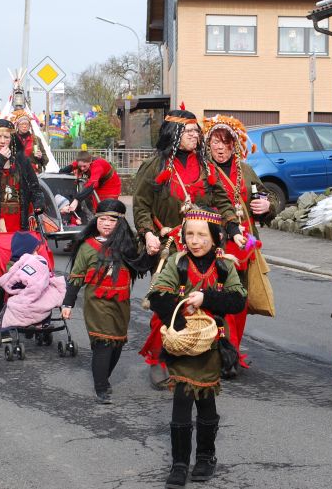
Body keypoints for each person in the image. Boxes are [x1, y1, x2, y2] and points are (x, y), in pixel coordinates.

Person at [132, 109, 241, 389]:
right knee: (168, 302)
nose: (196, 136)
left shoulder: (205, 165)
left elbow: (223, 200)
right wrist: (147, 233)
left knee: (204, 301)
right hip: (172, 243)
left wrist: (233, 229)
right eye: (190, 132)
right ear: (175, 134)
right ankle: (159, 359)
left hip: (204, 243)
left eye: (196, 132)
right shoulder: (155, 165)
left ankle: (203, 355)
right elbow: (142, 204)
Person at [146, 207, 247, 488]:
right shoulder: (176, 263)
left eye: (202, 235)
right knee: (181, 404)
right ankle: (179, 464)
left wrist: (207, 298)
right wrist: (180, 323)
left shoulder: (225, 266)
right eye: (189, 234)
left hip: (211, 346)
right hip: (182, 346)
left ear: (215, 238)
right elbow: (157, 296)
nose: (195, 240)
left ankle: (205, 457)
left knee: (206, 404)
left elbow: (238, 300)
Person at [61, 199, 158, 404]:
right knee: (103, 343)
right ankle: (101, 387)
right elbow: (76, 277)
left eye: (112, 220)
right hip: (97, 302)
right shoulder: (86, 247)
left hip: (121, 303)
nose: (106, 223)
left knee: (117, 344)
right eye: (102, 219)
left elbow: (139, 266)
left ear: (120, 223)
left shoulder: (126, 245)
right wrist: (67, 304)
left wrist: (152, 253)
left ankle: (103, 378)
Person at [203, 114, 276, 375]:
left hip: (244, 246)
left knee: (239, 301)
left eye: (226, 142)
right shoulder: (202, 170)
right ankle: (217, 353)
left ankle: (232, 350)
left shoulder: (245, 170)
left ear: (235, 145)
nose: (220, 147)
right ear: (207, 143)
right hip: (212, 244)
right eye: (215, 141)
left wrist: (267, 206)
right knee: (214, 300)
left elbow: (266, 198)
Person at [0, 119, 45, 333]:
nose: (3, 141)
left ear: (12, 138)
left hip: (19, 225)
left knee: (22, 269)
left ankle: (21, 313)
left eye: (7, 137)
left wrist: (39, 204)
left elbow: (34, 186)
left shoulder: (21, 161)